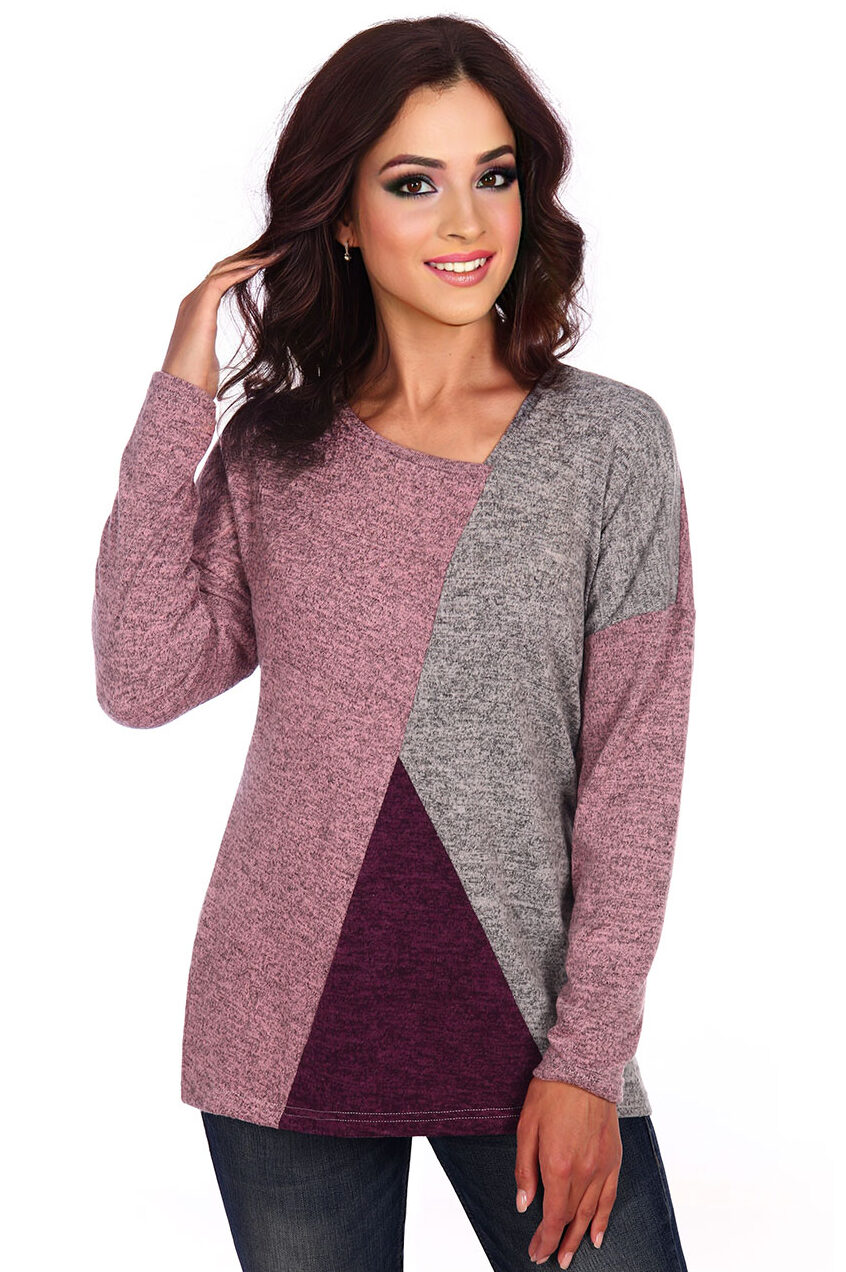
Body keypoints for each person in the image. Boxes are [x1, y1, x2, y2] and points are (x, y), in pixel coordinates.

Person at [91, 16, 695, 1272]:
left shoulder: (608, 445)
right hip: (283, 1018)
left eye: (494, 175)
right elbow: (141, 679)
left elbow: (634, 776)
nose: (467, 221)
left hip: (530, 1032)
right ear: (347, 219)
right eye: (415, 183)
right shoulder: (276, 451)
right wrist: (182, 391)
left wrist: (588, 1059)